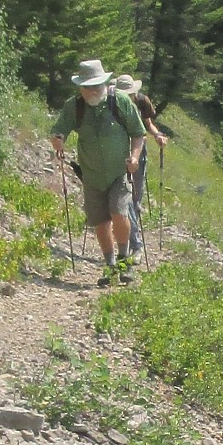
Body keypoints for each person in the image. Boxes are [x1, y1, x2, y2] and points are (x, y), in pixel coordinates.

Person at [49, 59, 146, 285]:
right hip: (91, 174)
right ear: (80, 87)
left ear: (104, 83)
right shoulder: (74, 107)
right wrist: (58, 140)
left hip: (119, 172)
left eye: (97, 85)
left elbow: (138, 133)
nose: (93, 90)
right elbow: (58, 131)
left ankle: (124, 261)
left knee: (120, 212)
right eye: (88, 86)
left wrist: (134, 157)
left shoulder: (120, 102)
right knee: (100, 222)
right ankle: (110, 266)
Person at [110, 75, 169, 261]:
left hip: (137, 153)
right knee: (125, 200)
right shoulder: (111, 102)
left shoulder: (142, 101)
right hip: (118, 152)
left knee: (134, 200)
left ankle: (132, 246)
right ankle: (134, 246)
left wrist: (157, 135)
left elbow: (148, 124)